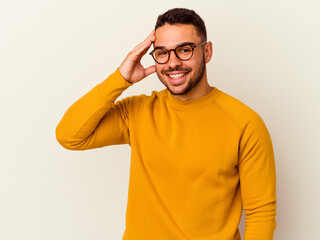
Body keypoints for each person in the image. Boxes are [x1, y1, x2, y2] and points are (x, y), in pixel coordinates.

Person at [56, 8, 277, 240]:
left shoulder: (245, 123)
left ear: (207, 51)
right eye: (162, 53)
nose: (173, 63)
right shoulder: (137, 112)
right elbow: (69, 135)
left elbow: (260, 213)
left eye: (184, 50)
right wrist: (120, 79)